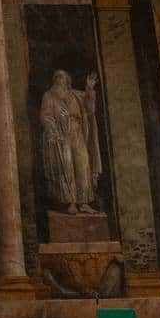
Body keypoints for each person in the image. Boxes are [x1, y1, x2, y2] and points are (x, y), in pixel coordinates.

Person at [40, 70, 98, 214]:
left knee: (82, 165)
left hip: (77, 132)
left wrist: (90, 89)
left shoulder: (77, 94)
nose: (60, 80)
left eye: (63, 77)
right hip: (61, 134)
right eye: (57, 77)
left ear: (68, 80)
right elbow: (45, 116)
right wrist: (53, 130)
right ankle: (70, 202)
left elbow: (90, 109)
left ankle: (83, 202)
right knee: (66, 167)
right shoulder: (49, 95)